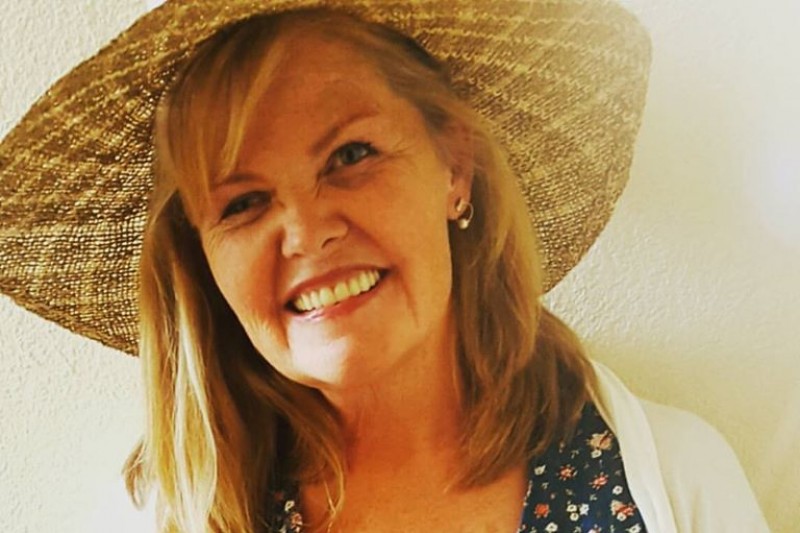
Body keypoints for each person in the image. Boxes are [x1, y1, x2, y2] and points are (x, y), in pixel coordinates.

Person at [0, 1, 768, 532]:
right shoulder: (163, 516)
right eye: (243, 202)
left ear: (455, 166)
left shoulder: (674, 478)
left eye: (350, 155)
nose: (308, 233)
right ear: (202, 260)